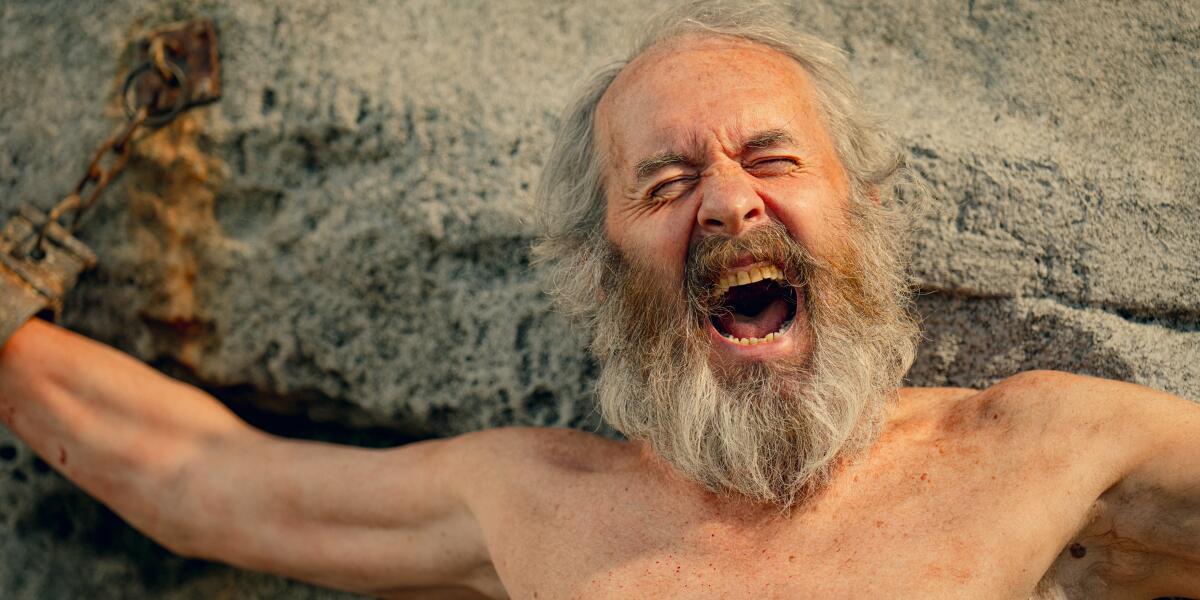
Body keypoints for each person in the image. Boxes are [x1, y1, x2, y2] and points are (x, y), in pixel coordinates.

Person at [1, 2, 1197, 598]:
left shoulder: (1044, 445)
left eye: (772, 161)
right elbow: (196, 479)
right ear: (600, 261)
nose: (728, 205)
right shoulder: (530, 502)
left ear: (865, 212)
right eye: (667, 182)